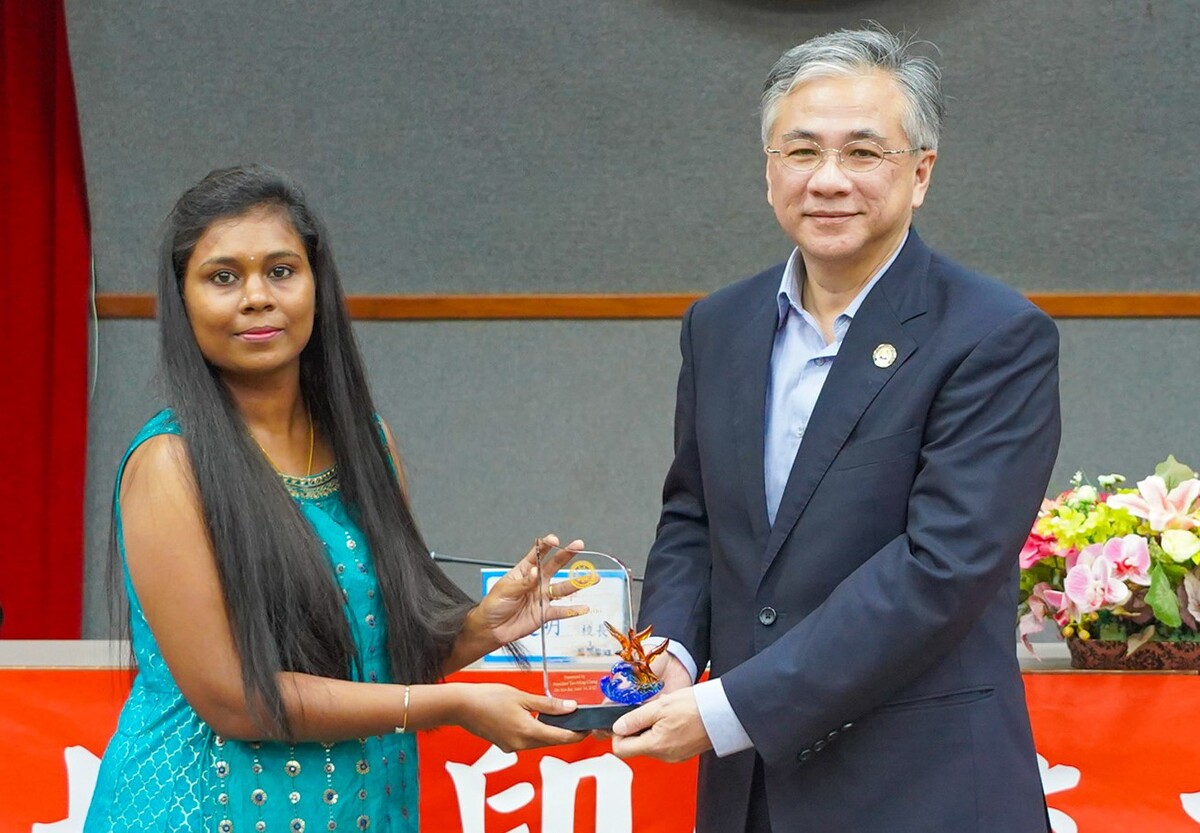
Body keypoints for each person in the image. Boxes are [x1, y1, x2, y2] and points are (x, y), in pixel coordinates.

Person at [610, 27, 1060, 832]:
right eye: (802, 151)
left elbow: (941, 568)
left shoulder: (994, 334)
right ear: (768, 172)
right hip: (751, 793)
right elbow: (694, 516)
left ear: (920, 173)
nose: (828, 180)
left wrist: (726, 709)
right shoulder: (719, 324)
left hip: (922, 789)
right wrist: (668, 656)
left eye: (863, 153)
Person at [84, 164, 587, 833]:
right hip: (198, 810)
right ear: (182, 299)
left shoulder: (368, 445)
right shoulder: (171, 464)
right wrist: (453, 705)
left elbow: (370, 663)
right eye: (223, 276)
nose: (257, 296)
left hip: (360, 806)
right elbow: (238, 701)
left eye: (281, 270)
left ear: (317, 285)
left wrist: (480, 629)